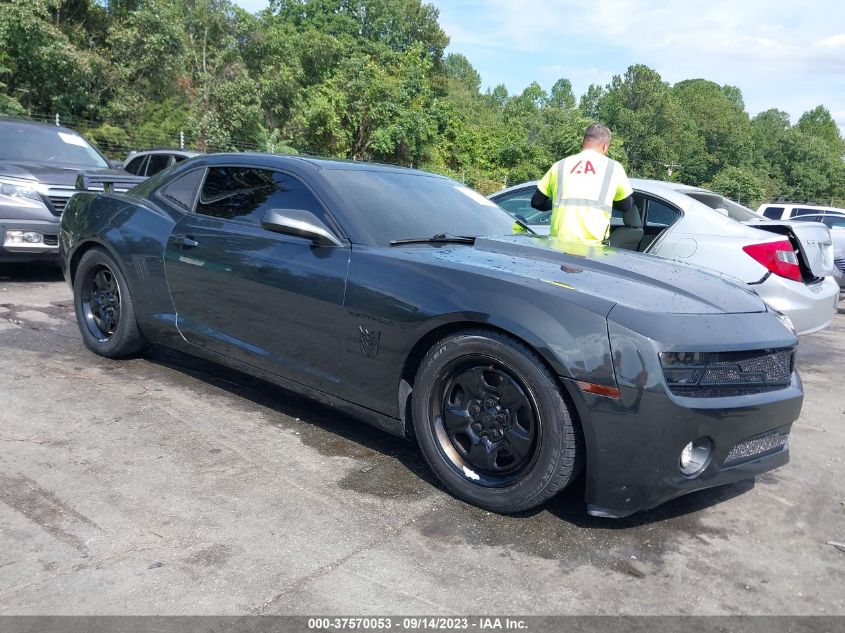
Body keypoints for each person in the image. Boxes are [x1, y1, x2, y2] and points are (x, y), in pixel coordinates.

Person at [531, 123, 634, 243]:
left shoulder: (560, 165)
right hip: (593, 246)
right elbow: (626, 205)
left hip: (559, 244)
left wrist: (559, 203)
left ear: (584, 142)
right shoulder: (613, 168)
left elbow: (536, 202)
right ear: (605, 146)